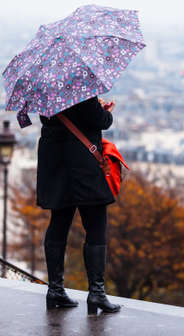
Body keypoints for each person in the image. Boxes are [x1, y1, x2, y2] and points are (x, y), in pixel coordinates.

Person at [37, 96, 120, 315]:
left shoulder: (45, 90)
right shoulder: (80, 89)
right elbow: (100, 120)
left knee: (59, 221)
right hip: (83, 163)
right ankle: (96, 293)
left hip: (55, 161)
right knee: (95, 224)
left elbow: (50, 119)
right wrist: (105, 110)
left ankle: (55, 290)